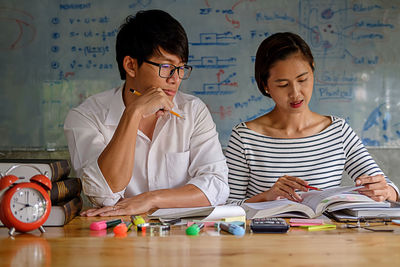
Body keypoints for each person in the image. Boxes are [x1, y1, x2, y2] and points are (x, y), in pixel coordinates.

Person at [64, 10, 229, 216]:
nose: (175, 79)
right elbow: (103, 195)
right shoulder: (86, 117)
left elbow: (217, 186)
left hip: (182, 238)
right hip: (116, 239)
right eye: (166, 67)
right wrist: (133, 113)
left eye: (181, 68)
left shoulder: (193, 111)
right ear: (131, 66)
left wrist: (151, 199)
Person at [226, 32, 399, 205]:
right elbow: (225, 206)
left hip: (326, 231)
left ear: (313, 70)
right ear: (265, 86)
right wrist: (266, 197)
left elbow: (390, 190)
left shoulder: (338, 131)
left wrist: (384, 190)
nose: (295, 93)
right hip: (267, 231)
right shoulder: (244, 137)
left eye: (302, 79)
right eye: (283, 85)